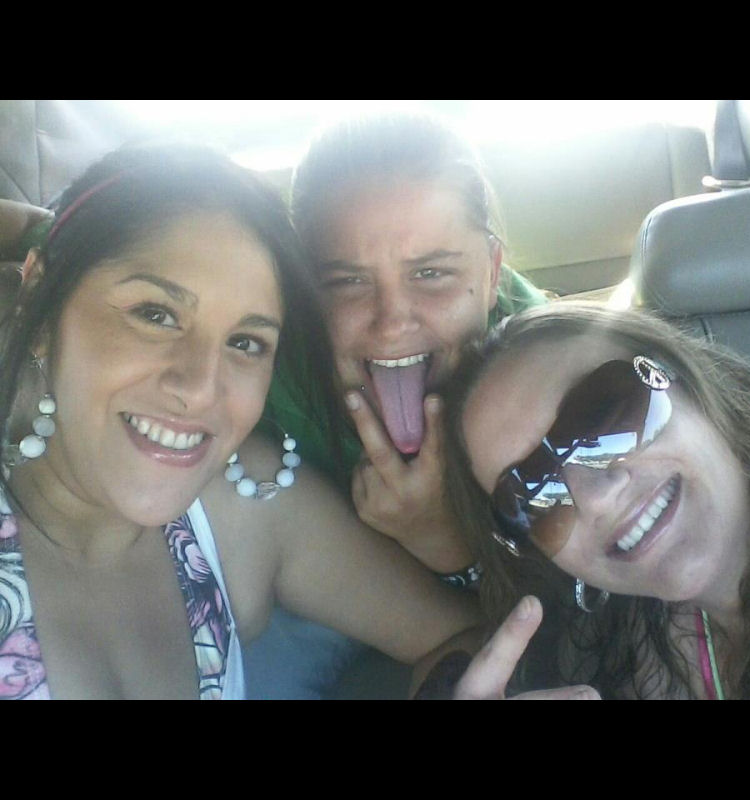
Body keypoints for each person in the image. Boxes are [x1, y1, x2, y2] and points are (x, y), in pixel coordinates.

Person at [0, 143, 479, 700]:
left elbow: (464, 636)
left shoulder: (244, 498)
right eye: (156, 315)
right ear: (40, 296)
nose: (201, 389)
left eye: (246, 342)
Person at [248, 114, 550, 698]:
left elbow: (570, 607)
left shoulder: (544, 374)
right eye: (347, 282)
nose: (392, 322)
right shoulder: (260, 371)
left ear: (491, 273)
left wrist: (445, 541)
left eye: (431, 274)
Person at [441, 301, 750, 699]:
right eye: (532, 497)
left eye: (604, 416)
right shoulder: (609, 658)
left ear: (681, 374)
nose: (596, 498)